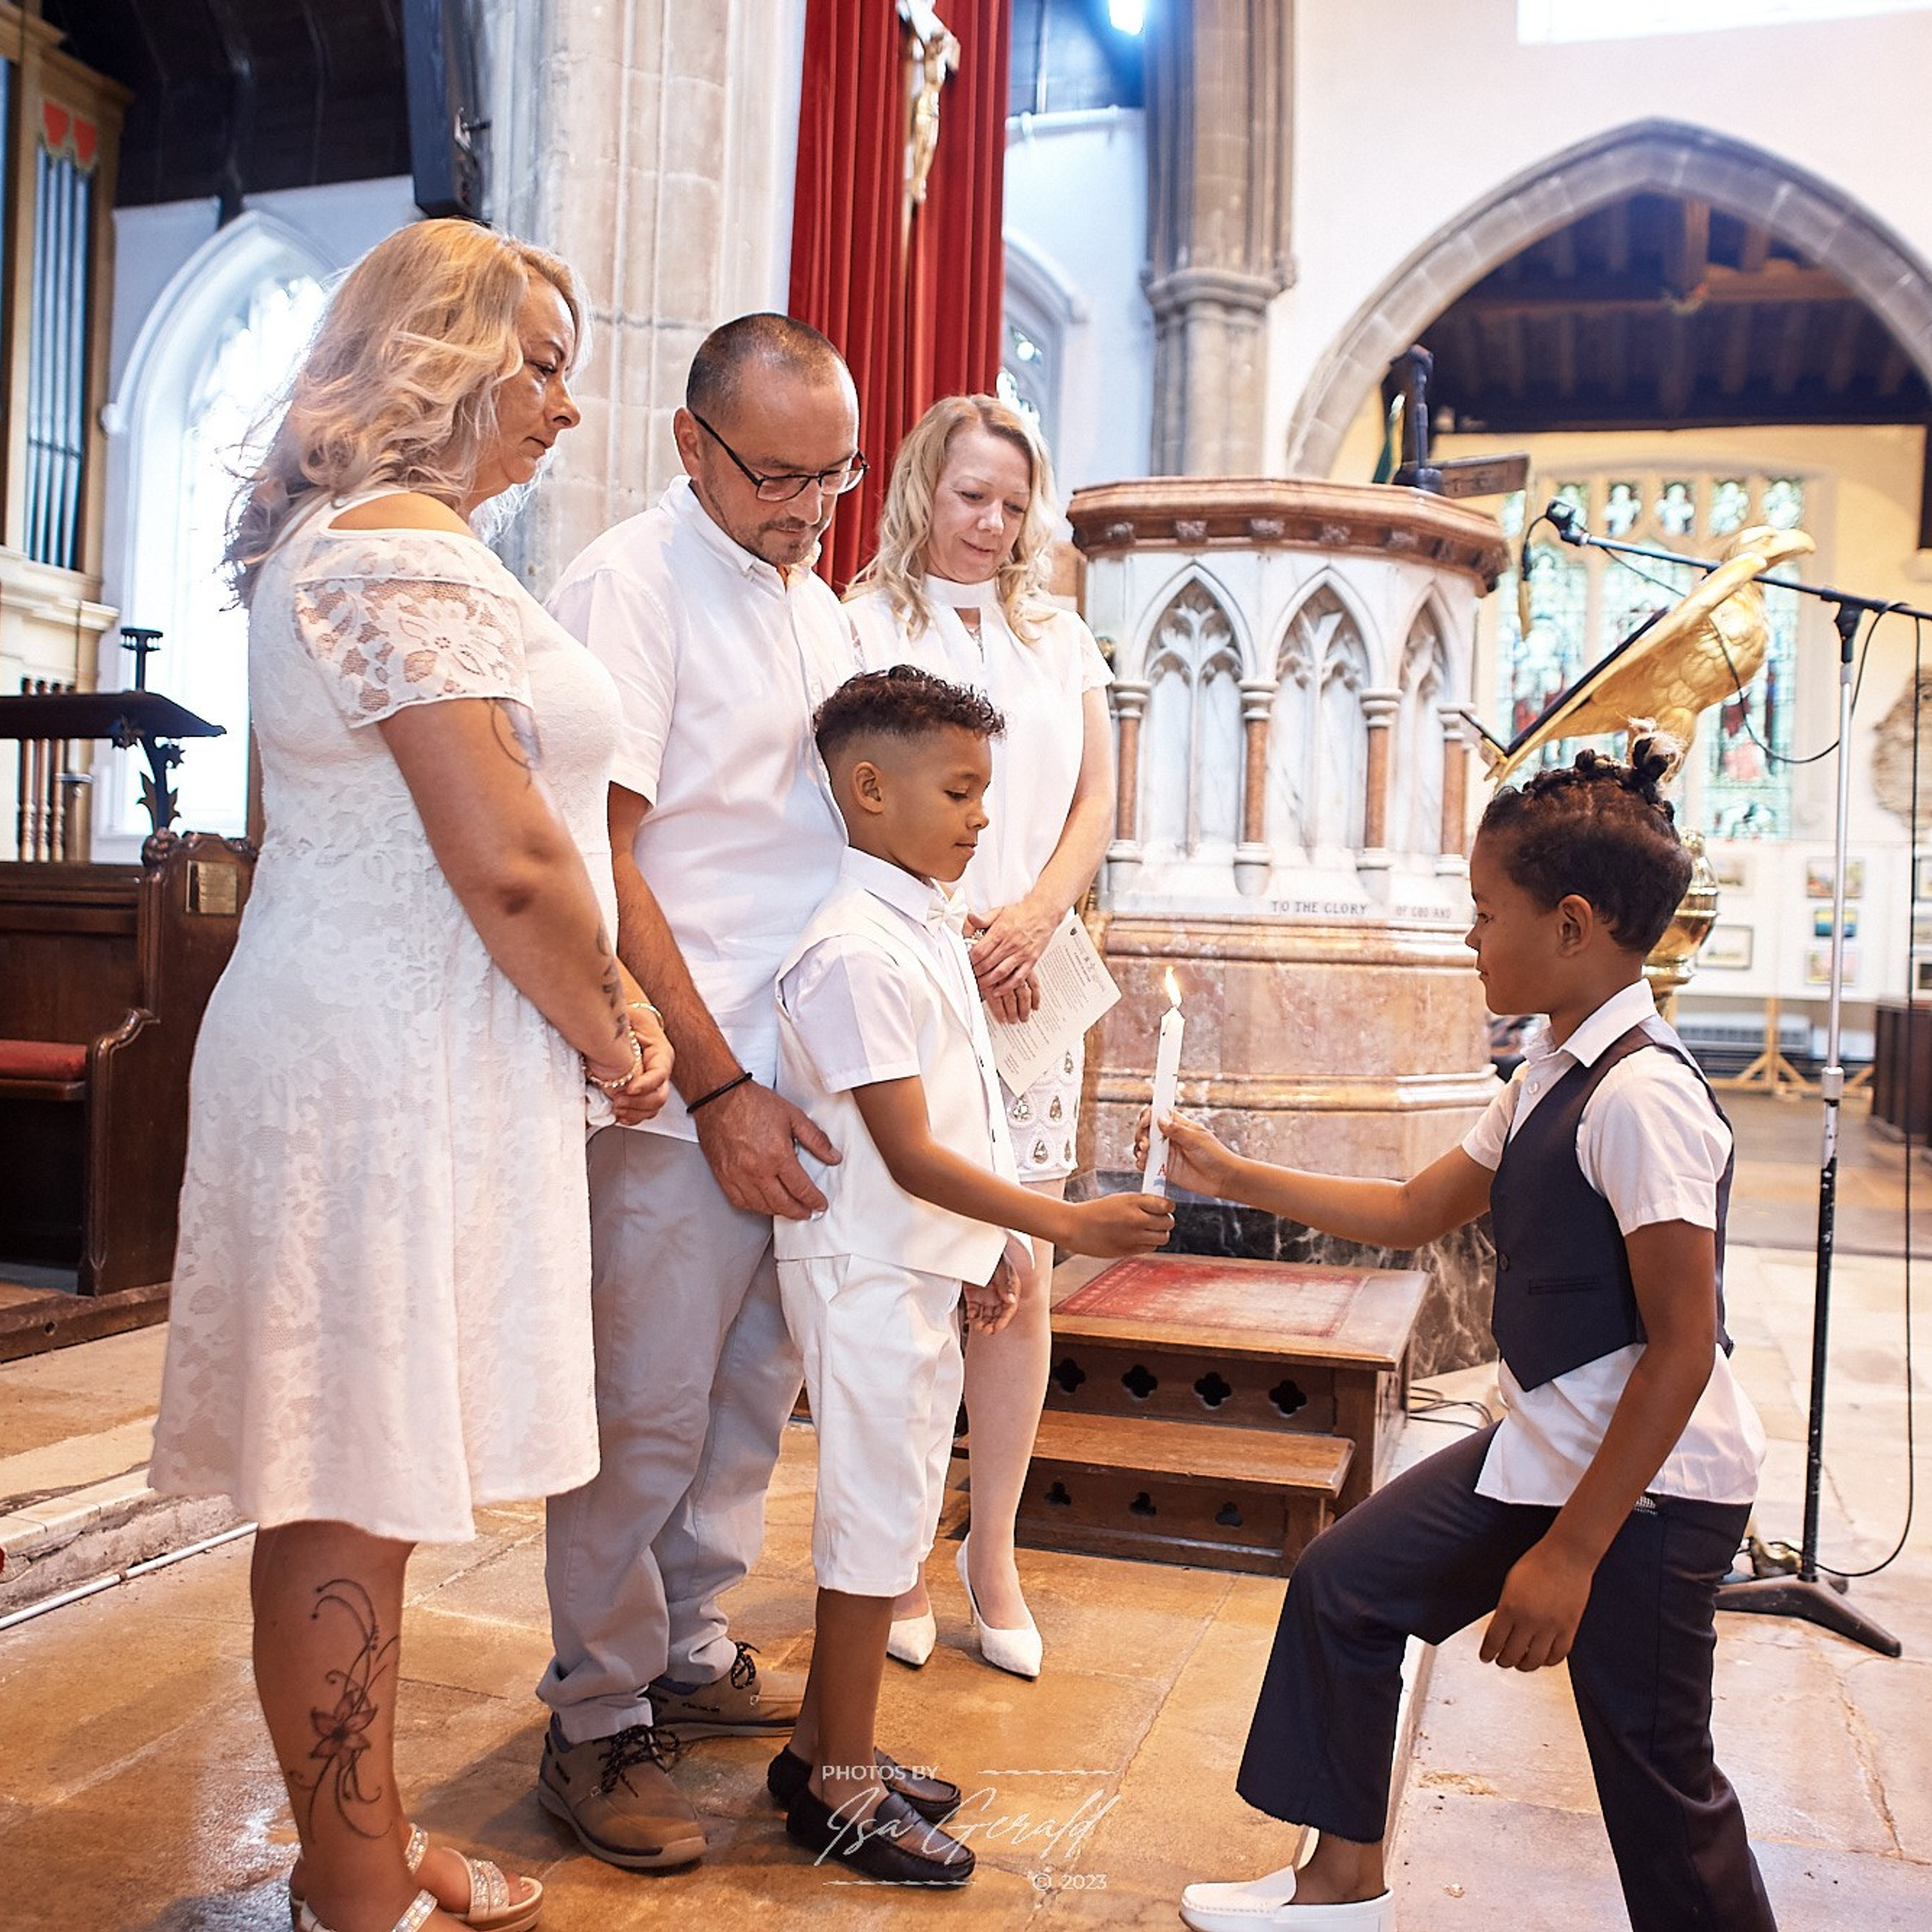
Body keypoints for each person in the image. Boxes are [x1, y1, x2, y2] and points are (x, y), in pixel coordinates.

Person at [149, 220, 672, 1932]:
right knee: (347, 1476)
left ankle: (353, 1853)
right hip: (376, 1074)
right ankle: (358, 1892)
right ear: (436, 360)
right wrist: (617, 1023)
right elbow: (509, 856)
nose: (562, 404)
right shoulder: (392, 549)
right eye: (539, 360)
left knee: (364, 1481)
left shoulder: (398, 541)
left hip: (400, 1054)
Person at [1156, 738, 1777, 1932]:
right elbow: (1414, 1211)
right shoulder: (1550, 1068)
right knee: (1345, 1587)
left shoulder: (1644, 1099)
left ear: (1575, 925)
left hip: (1646, 1495)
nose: (1470, 937)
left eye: (1486, 914)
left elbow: (1684, 1350)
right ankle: (1340, 1888)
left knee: (1656, 1782)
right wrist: (1228, 1174)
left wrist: (1572, 1556)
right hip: (1550, 1445)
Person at [535, 314, 865, 1869]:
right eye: (777, 475)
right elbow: (604, 853)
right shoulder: (630, 582)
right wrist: (719, 1079)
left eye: (835, 476)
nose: (808, 509)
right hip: (684, 1072)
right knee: (642, 1400)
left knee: (746, 1385)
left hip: (800, 1067)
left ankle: (684, 1638)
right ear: (691, 442)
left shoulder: (819, 604)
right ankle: (593, 1719)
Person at [769, 666, 1174, 1884]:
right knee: (869, 1530)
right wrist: (1063, 1224)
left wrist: (994, 1246)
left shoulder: (917, 917)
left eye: (986, 791)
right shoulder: (848, 949)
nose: (984, 817)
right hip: (867, 1268)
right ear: (869, 786)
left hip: (917, 1262)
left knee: (893, 1516)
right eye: (961, 790)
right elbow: (907, 1148)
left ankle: (816, 1748)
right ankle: (837, 1789)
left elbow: (967, 1106)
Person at [844, 395, 1114, 1678]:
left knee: (1022, 1277)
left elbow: (1096, 799)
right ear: (920, 491)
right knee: (918, 1272)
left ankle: (991, 1550)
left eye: (1013, 504)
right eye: (970, 498)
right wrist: (948, 931)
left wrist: (1038, 914)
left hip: (1032, 974)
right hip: (915, 962)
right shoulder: (865, 621)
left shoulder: (1058, 630)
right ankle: (892, 1558)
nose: (992, 525)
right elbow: (847, 804)